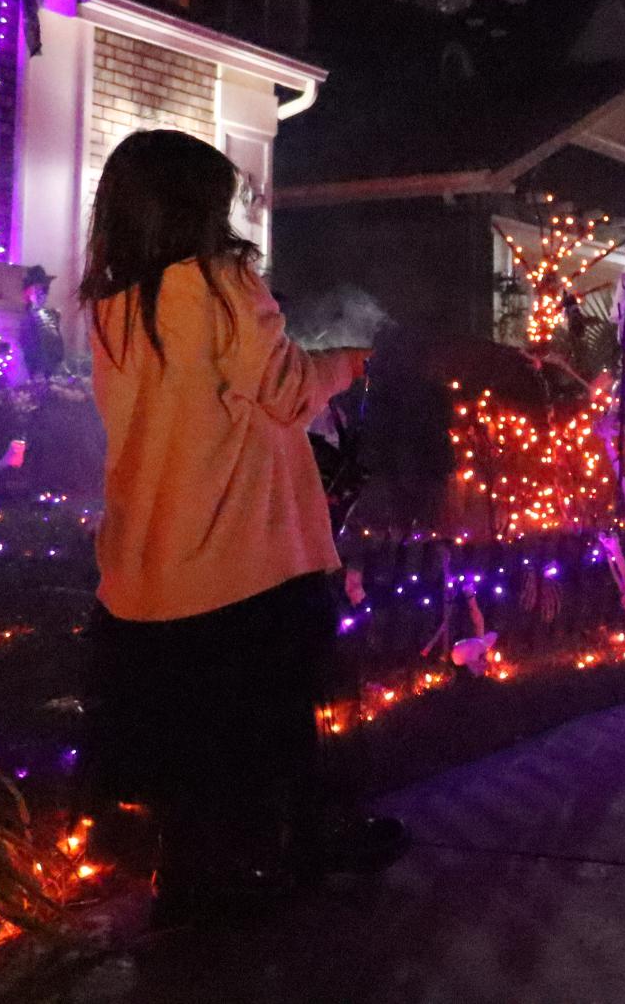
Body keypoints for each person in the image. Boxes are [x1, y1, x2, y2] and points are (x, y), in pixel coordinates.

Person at [79, 129, 406, 928]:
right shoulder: (222, 283)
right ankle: (294, 850)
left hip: (151, 558)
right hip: (244, 553)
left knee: (190, 738)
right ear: (197, 204)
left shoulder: (112, 306)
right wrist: (351, 364)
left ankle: (190, 873)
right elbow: (289, 389)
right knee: (273, 716)